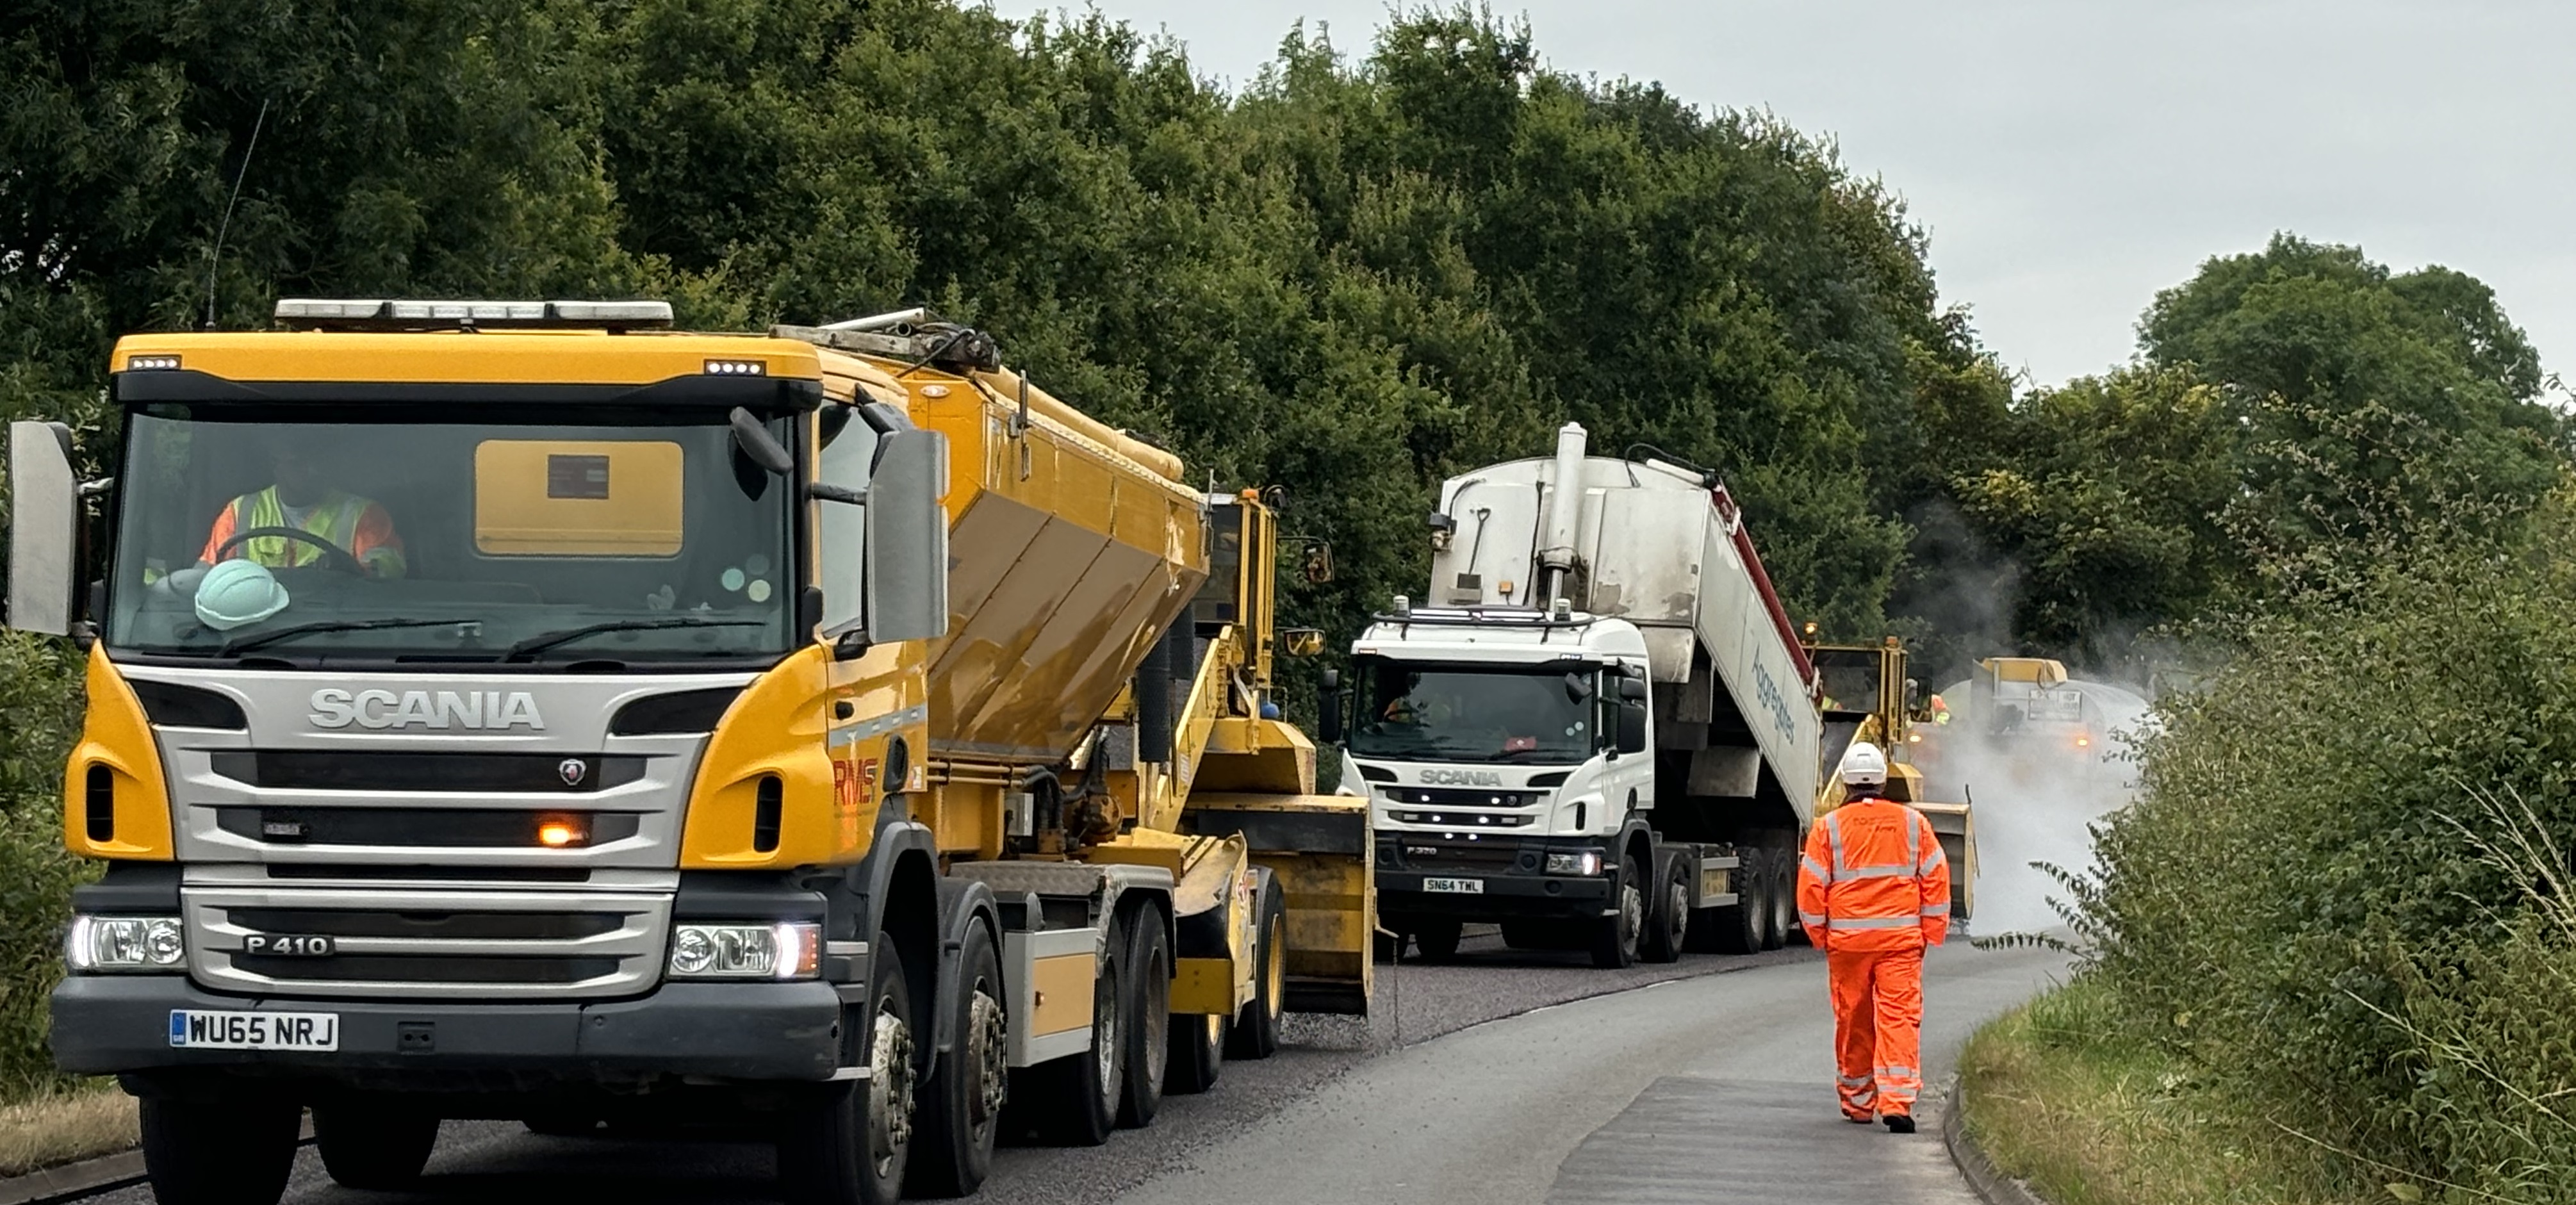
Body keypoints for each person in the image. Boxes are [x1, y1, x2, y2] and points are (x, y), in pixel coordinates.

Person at [1796, 742, 1951, 1134]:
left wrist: (1820, 936)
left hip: (1848, 945)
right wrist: (1930, 933)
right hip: (1900, 943)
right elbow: (1936, 877)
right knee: (1899, 1017)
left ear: (1846, 783)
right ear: (1883, 781)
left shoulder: (1827, 828)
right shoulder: (1913, 824)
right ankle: (1897, 1101)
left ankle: (1859, 1102)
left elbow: (1812, 888)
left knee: (1854, 1019)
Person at [199, 442, 406, 577]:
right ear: (275, 465)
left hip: (336, 627)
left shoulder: (363, 514)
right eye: (299, 463)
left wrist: (352, 570)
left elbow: (389, 571)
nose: (313, 471)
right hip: (253, 628)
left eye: (317, 462)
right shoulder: (240, 511)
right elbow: (205, 576)